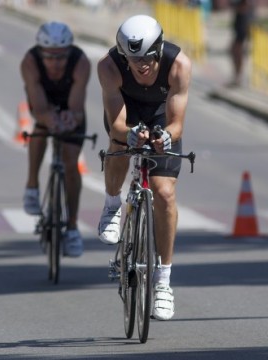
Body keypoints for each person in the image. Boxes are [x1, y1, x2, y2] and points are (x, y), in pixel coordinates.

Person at [97, 14, 192, 320]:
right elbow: (116, 125)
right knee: (119, 147)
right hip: (128, 115)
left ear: (159, 48)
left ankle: (163, 282)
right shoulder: (109, 66)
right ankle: (113, 205)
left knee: (164, 194)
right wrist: (130, 134)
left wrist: (165, 136)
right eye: (133, 57)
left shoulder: (178, 65)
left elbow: (177, 124)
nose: (141, 64)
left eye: (148, 56)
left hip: (162, 117)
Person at [20, 22, 91, 257]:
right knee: (40, 129)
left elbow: (77, 108)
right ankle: (32, 185)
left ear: (69, 52)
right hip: (44, 102)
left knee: (71, 163)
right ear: (41, 52)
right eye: (49, 57)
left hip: (70, 104)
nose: (55, 63)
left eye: (61, 57)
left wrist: (70, 120)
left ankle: (71, 227)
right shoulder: (30, 62)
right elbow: (39, 108)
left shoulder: (80, 62)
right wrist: (51, 120)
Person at [228, 0, 252, 87]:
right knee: (235, 53)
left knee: (238, 53)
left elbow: (246, 4)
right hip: (240, 24)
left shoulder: (245, 12)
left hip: (242, 26)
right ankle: (237, 76)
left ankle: (238, 77)